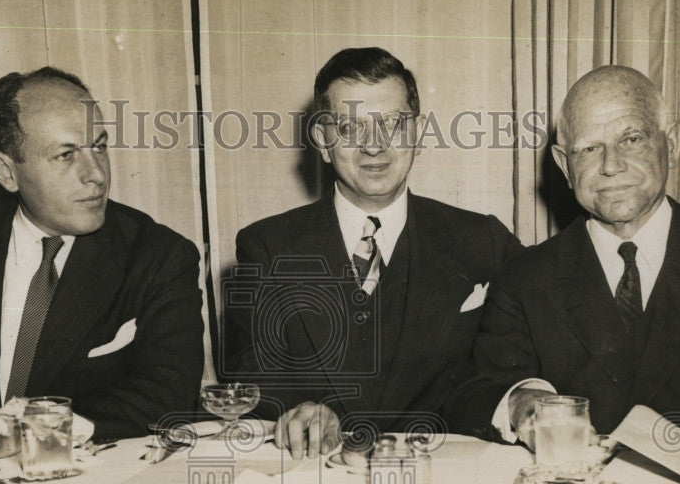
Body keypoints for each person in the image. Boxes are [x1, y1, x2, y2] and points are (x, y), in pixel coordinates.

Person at [443, 65, 680, 446]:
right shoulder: (524, 278)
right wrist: (522, 403)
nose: (611, 166)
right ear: (564, 164)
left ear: (672, 143)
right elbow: (477, 394)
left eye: (631, 139)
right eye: (589, 148)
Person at [222, 47, 523, 457]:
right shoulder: (266, 247)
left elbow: (518, 365)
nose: (374, 147)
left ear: (417, 132)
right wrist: (297, 411)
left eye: (393, 125)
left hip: (443, 477)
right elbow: (249, 377)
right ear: (322, 140)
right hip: (315, 479)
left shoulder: (483, 240)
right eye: (349, 128)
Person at [0, 66, 204, 442]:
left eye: (99, 146)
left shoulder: (159, 256)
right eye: (66, 155)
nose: (96, 174)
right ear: (7, 172)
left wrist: (27, 433)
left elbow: (168, 397)